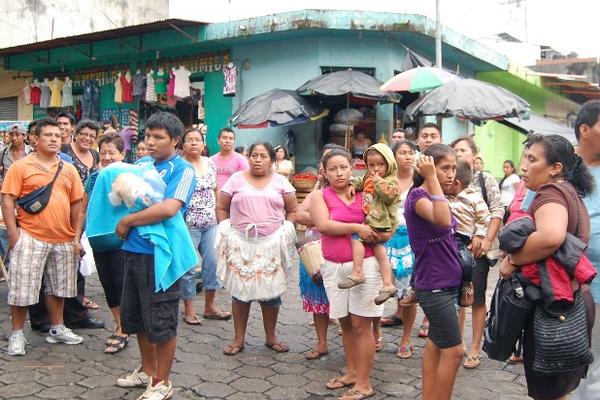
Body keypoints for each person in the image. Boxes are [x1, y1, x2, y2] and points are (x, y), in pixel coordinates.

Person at [499, 134, 595, 400]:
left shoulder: (550, 192)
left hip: (555, 306)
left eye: (532, 159)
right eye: (525, 158)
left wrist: (512, 260)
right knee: (560, 391)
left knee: (549, 393)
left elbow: (551, 236)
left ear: (555, 168)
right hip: (572, 300)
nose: (524, 166)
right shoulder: (570, 192)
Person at [115, 112, 196, 399]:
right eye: (148, 135)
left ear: (175, 141)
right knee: (136, 317)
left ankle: (162, 381)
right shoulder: (143, 165)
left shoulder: (182, 170)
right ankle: (148, 371)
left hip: (161, 257)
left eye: (158, 137)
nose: (150, 142)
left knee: (161, 321)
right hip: (133, 251)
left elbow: (169, 209)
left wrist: (127, 222)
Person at [1, 118, 85, 356]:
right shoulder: (20, 167)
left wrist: (75, 236)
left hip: (63, 238)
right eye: (48, 135)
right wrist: (15, 234)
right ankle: (16, 334)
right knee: (22, 288)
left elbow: (77, 203)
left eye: (58, 136)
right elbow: (7, 200)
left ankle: (57, 328)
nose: (54, 140)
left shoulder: (68, 169)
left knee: (58, 287)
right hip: (30, 236)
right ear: (34, 139)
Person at [310, 148, 383, 400]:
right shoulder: (321, 196)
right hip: (333, 267)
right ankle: (352, 373)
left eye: (343, 167)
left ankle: (364, 383)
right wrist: (356, 228)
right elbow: (323, 225)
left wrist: (369, 230)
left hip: (366, 266)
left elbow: (382, 222)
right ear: (325, 173)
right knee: (345, 323)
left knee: (362, 325)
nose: (339, 173)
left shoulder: (366, 193)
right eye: (333, 169)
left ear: (352, 168)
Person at [216, 142, 298, 356]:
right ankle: (238, 339)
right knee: (240, 294)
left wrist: (286, 231)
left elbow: (293, 210)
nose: (257, 159)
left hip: (271, 244)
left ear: (272, 160)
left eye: (263, 156)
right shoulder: (236, 179)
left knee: (271, 294)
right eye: (254, 155)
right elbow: (222, 207)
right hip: (241, 244)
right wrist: (225, 229)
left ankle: (271, 337)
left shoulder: (281, 181)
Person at [405, 144, 463, 400]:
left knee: (436, 344)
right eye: (444, 168)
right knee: (454, 351)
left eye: (453, 168)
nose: (451, 174)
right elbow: (441, 220)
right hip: (434, 285)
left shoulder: (434, 195)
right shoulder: (419, 197)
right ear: (429, 168)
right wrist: (431, 178)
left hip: (445, 282)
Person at [451, 136, 504, 369]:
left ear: (474, 155)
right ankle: (457, 343)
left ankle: (474, 347)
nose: (459, 153)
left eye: (463, 150)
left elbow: (497, 210)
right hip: (453, 248)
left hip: (478, 250)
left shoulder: (484, 179)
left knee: (477, 297)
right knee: (457, 296)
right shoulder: (447, 179)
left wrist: (486, 239)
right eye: (455, 150)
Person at [82, 135, 128, 354]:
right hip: (99, 239)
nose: (108, 157)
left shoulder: (129, 177)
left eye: (112, 152)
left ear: (122, 154)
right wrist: (77, 237)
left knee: (121, 284)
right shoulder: (93, 179)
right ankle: (119, 324)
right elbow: (85, 208)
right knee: (108, 284)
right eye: (103, 153)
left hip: (123, 239)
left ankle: (123, 330)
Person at [181, 128, 231, 325]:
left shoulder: (210, 164)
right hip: (187, 223)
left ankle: (210, 307)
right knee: (189, 267)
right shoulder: (180, 166)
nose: (194, 143)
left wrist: (220, 217)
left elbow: (216, 190)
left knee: (212, 263)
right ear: (182, 145)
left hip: (210, 223)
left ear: (203, 144)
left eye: (197, 140)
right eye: (189, 140)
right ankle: (189, 309)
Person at [339, 144, 399, 306]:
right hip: (374, 220)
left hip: (382, 221)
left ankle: (358, 273)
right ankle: (388, 285)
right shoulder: (369, 176)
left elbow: (390, 196)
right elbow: (361, 181)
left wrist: (378, 180)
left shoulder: (390, 180)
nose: (375, 168)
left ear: (389, 164)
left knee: (357, 238)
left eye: (380, 164)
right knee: (379, 250)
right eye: (371, 165)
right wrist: (353, 185)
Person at [571, 100, 600, 400]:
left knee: (596, 368)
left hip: (599, 288)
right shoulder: (557, 166)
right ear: (585, 130)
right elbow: (526, 221)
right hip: (562, 289)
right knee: (565, 365)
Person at [381, 140, 418, 359]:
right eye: (402, 153)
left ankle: (406, 339)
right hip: (386, 238)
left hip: (413, 240)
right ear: (394, 157)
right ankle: (375, 333)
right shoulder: (386, 181)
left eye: (410, 152)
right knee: (382, 288)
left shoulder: (421, 180)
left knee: (408, 293)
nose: (407, 156)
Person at [444, 161, 491, 308]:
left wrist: (479, 235)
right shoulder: (444, 197)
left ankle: (467, 284)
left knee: (466, 262)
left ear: (456, 183)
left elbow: (485, 217)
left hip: (463, 239)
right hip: (446, 237)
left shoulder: (474, 197)